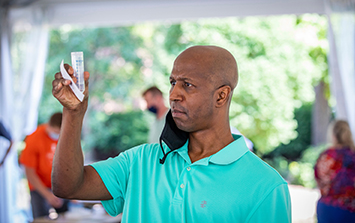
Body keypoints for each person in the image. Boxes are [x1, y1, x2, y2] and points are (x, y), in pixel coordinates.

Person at [51, 45, 291, 222]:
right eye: (172, 82)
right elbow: (68, 186)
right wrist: (73, 114)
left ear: (221, 95)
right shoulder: (140, 161)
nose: (174, 94)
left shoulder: (265, 186)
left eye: (187, 84)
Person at [19, 113, 69, 219]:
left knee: (66, 217)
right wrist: (47, 194)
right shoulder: (34, 138)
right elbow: (29, 172)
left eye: (60, 132)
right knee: (41, 219)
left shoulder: (67, 137)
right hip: (39, 187)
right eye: (56, 132)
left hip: (60, 185)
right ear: (49, 125)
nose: (57, 135)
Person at [314, 120, 355, 223]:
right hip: (349, 210)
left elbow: (317, 178)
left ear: (332, 134)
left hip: (326, 208)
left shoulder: (325, 156)